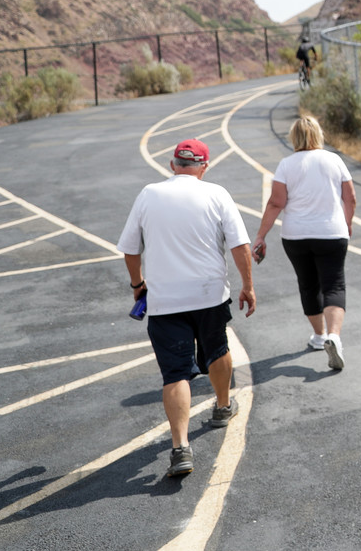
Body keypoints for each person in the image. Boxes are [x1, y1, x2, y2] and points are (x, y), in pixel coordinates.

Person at [119, 138, 256, 479]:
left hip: (166, 302)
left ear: (172, 165)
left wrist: (138, 285)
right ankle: (223, 406)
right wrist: (248, 286)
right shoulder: (217, 194)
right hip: (209, 295)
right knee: (218, 348)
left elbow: (130, 249)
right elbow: (240, 245)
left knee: (176, 373)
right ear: (203, 167)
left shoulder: (149, 194)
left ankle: (180, 448)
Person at [254, 115, 356, 371]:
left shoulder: (287, 164)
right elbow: (350, 198)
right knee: (334, 283)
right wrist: (347, 222)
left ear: (294, 138)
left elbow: (276, 202)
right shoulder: (334, 160)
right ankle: (334, 336)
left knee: (308, 284)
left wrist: (261, 235)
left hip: (296, 236)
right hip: (332, 232)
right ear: (318, 135)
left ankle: (320, 336)